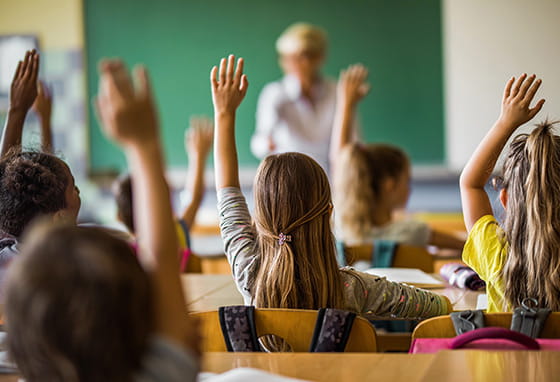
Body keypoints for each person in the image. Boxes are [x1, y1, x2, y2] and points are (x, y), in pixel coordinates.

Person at [4, 59, 199, 381]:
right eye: (75, 189)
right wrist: (145, 144)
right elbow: (162, 256)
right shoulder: (161, 374)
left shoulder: (14, 266)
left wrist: (17, 113)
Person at [213, 54, 451, 317]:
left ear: (260, 217)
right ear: (328, 212)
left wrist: (224, 114)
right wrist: (446, 302)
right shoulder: (352, 287)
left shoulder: (249, 270)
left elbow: (227, 192)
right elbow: (435, 307)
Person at [331, 65, 464, 250]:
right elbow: (468, 247)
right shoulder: (412, 232)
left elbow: (340, 161)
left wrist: (346, 105)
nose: (409, 188)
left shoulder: (342, 229)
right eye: (406, 180)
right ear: (389, 185)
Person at [459, 73, 551, 312]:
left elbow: (470, 183)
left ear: (505, 198)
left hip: (505, 351)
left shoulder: (496, 252)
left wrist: (505, 123)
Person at [251, 22, 357, 172]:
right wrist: (267, 143)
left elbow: (353, 142)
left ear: (319, 57)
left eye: (304, 56)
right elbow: (259, 142)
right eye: (289, 58)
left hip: (328, 178)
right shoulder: (274, 93)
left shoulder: (337, 92)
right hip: (289, 177)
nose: (297, 64)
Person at [113, 116, 212, 271]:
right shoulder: (174, 237)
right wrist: (198, 156)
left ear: (119, 217)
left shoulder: (122, 258)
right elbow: (194, 198)